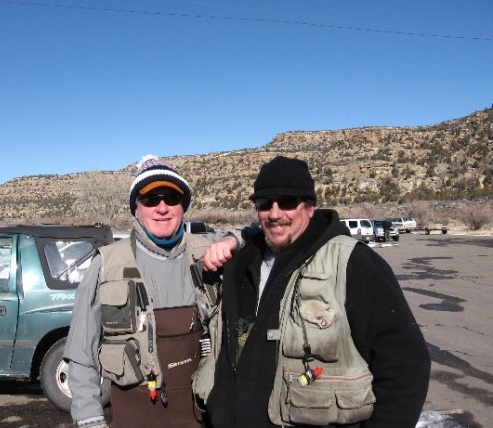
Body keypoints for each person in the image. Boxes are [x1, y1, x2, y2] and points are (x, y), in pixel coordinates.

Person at [200, 156, 430, 428]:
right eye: (264, 204)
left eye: (287, 202)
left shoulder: (351, 262)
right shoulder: (239, 264)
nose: (275, 214)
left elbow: (406, 366)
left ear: (310, 207)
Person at [64, 155, 239, 428]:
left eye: (171, 198)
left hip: (205, 417)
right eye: (151, 199)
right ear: (136, 207)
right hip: (135, 418)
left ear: (183, 206)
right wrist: (89, 418)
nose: (162, 208)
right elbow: (80, 353)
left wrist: (233, 239)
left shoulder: (209, 252)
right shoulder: (105, 264)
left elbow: (268, 231)